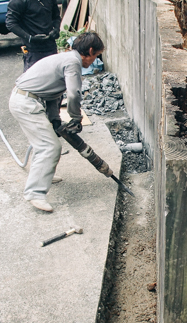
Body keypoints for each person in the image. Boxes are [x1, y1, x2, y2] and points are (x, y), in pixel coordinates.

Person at [9, 32, 111, 213]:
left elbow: (51, 94)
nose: (94, 60)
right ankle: (35, 192)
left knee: (45, 142)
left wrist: (55, 119)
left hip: (28, 99)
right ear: (89, 50)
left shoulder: (65, 57)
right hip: (26, 102)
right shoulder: (73, 63)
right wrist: (76, 117)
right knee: (50, 146)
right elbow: (73, 94)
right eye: (96, 56)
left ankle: (44, 175)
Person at [5, 0, 61, 71]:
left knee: (55, 78)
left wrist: (56, 29)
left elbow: (56, 17)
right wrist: (29, 38)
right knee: (34, 80)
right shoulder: (19, 2)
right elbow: (11, 24)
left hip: (51, 47)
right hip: (33, 51)